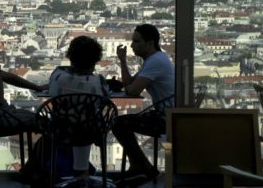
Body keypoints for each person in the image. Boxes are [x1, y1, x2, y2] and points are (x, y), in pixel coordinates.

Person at [109, 24, 175, 185]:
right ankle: (139, 165)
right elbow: (130, 83)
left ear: (150, 42)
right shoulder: (156, 59)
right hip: (168, 114)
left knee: (118, 123)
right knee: (120, 123)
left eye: (137, 41)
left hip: (167, 118)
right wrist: (123, 61)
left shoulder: (155, 62)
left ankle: (143, 167)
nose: (132, 45)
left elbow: (132, 90)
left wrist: (123, 86)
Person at [47, 35, 108, 183]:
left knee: (77, 126)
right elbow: (105, 102)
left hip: (61, 129)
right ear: (95, 60)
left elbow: (52, 85)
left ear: (71, 58)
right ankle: (83, 173)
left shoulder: (58, 77)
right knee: (84, 124)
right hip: (91, 131)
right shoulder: (99, 82)